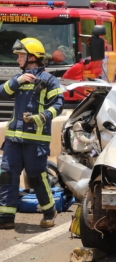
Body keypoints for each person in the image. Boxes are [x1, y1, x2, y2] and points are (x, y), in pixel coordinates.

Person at [0, 38, 64, 230]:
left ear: (33, 57)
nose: (18, 59)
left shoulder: (50, 81)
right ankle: (6, 216)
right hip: (13, 139)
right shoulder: (18, 80)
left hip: (36, 141)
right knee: (7, 175)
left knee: (36, 176)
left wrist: (42, 116)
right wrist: (16, 81)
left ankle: (48, 210)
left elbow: (58, 106)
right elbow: (1, 93)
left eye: (21, 56)